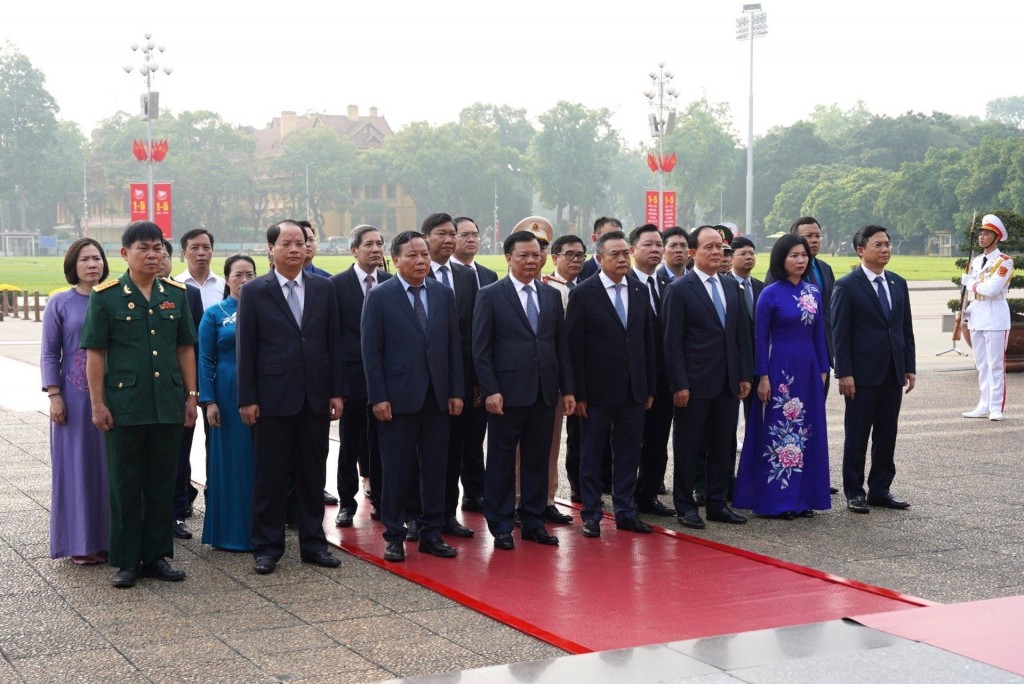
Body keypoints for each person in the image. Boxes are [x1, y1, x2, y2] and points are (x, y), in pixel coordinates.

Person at [80, 221, 199, 588]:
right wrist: (97, 404)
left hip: (167, 403)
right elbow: (96, 355)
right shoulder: (107, 295)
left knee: (163, 482)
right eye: (144, 248)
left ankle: (157, 556)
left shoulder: (175, 294)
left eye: (158, 248)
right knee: (126, 485)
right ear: (124, 254)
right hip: (125, 405)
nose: (152, 255)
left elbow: (184, 348)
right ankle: (128, 560)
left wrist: (191, 396)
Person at [237, 220, 345, 574]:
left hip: (315, 397)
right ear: (271, 249)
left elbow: (333, 342)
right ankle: (267, 547)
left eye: (300, 242)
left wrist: (336, 391)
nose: (295, 249)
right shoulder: (254, 291)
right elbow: (246, 349)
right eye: (286, 243)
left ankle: (314, 543)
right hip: (272, 398)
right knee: (270, 476)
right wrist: (247, 398)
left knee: (313, 474)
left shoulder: (324, 288)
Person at [362, 231, 464, 563]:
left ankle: (431, 533)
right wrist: (378, 397)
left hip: (437, 397)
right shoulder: (379, 296)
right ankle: (394, 535)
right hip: (397, 399)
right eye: (412, 255)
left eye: (424, 255)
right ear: (395, 260)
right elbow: (371, 352)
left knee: (435, 468)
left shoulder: (443, 293)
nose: (421, 261)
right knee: (396, 470)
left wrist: (455, 391)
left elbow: (453, 347)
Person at [474, 230, 575, 549]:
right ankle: (501, 525)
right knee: (502, 460)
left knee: (537, 459)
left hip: (545, 392)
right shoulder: (490, 294)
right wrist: (490, 389)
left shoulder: (549, 295)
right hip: (506, 393)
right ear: (508, 258)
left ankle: (533, 521)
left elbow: (561, 346)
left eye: (536, 255)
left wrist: (567, 389)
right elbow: (481, 348)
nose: (532, 261)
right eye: (524, 256)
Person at [733, 234, 831, 518]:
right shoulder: (770, 293)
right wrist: (762, 376)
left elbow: (819, 334)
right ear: (781, 259)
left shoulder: (813, 292)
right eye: (793, 256)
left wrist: (824, 369)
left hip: (809, 368)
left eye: (803, 255)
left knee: (805, 433)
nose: (800, 260)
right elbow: (760, 338)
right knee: (780, 434)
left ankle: (803, 498)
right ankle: (777, 501)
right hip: (780, 370)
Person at [663, 225, 752, 529]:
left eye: (721, 247)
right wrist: (679, 383)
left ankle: (717, 504)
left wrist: (743, 374)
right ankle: (685, 505)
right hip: (694, 383)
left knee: (722, 444)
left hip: (727, 382)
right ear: (692, 253)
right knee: (688, 447)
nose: (717, 253)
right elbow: (672, 342)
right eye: (709, 247)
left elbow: (740, 335)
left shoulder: (731, 287)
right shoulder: (679, 289)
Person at [568, 231, 656, 537]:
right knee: (592, 454)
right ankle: (591, 513)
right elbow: (574, 349)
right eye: (614, 254)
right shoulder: (584, 293)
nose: (621, 259)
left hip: (633, 390)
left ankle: (625, 511)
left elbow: (647, 342)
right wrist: (577, 392)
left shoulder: (638, 289)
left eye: (624, 253)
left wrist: (648, 387)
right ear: (600, 258)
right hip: (596, 393)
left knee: (629, 452)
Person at [832, 224, 916, 514]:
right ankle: (854, 491)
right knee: (857, 434)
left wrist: (909, 367)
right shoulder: (846, 285)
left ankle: (881, 489)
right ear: (860, 250)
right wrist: (844, 372)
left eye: (887, 244)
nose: (885, 249)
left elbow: (905, 329)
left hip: (893, 371)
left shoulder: (897, 282)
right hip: (861, 374)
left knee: (887, 433)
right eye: (878, 245)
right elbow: (839, 334)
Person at [42, 238, 111, 565]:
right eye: (85, 259)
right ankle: (80, 543)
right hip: (72, 398)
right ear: (74, 265)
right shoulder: (60, 303)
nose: (92, 264)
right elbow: (49, 352)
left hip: (111, 396)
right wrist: (54, 395)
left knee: (108, 468)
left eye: (97, 258)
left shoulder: (112, 299)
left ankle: (111, 539)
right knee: (78, 468)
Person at [329, 225, 392, 527]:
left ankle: (380, 499)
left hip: (384, 380)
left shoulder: (392, 284)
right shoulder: (336, 286)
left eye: (380, 244)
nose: (376, 249)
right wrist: (336, 387)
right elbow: (332, 338)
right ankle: (346, 503)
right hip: (351, 380)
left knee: (381, 444)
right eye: (368, 244)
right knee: (349, 444)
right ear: (353, 249)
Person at [421, 212, 478, 539]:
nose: (449, 240)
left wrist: (470, 383)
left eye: (452, 234)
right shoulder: (408, 274)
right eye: (441, 234)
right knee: (420, 456)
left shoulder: (466, 278)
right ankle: (417, 516)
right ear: (426, 237)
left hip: (457, 383)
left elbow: (470, 336)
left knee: (453, 450)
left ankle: (446, 515)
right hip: (419, 383)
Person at [198, 254, 257, 550]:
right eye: (238, 275)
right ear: (227, 279)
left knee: (257, 462)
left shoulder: (264, 310)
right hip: (225, 393)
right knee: (228, 462)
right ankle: (227, 532)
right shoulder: (214, 313)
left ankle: (257, 530)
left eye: (250, 274)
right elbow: (205, 358)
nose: (244, 281)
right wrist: (208, 400)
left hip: (260, 395)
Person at [450, 216, 498, 514]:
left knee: (476, 434)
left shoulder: (488, 274)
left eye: (475, 234)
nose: (471, 239)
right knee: (453, 437)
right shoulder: (444, 274)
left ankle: (475, 491)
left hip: (483, 367)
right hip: (456, 367)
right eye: (464, 234)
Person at [626, 225, 676, 517]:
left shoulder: (668, 284)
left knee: (658, 439)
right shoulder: (624, 283)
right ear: (633, 250)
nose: (656, 249)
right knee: (630, 441)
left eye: (660, 244)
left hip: (664, 379)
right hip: (633, 380)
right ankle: (626, 496)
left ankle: (648, 494)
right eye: (649, 245)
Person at [159, 240, 205, 541]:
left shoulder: (187, 295)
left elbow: (194, 345)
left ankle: (176, 513)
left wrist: (194, 392)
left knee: (179, 454)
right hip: (142, 391)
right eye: (148, 251)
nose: (157, 259)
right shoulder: (117, 296)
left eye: (163, 254)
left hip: (178, 389)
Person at [544, 234, 587, 503]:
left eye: (580, 255)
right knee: (546, 440)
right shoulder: (547, 288)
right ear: (555, 257)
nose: (575, 260)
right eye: (569, 255)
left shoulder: (587, 287)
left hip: (583, 374)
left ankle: (572, 489)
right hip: (552, 374)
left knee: (578, 436)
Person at [961, 214, 1014, 421]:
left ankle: (995, 407)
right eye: (981, 233)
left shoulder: (1004, 262)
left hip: (995, 316)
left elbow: (992, 289)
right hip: (978, 315)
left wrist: (970, 283)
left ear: (996, 237)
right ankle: (983, 404)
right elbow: (976, 292)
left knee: (995, 364)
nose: (981, 237)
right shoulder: (976, 261)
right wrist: (966, 310)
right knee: (982, 365)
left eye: (987, 234)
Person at [174, 228, 225, 309]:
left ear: (212, 251)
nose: (201, 253)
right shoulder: (175, 286)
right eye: (194, 248)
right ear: (184, 253)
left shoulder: (223, 285)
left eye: (206, 247)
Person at [578, 216, 624, 280]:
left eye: (619, 236)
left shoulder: (627, 272)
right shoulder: (579, 271)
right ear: (594, 238)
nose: (615, 241)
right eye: (608, 237)